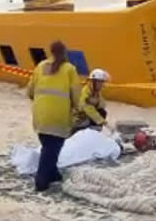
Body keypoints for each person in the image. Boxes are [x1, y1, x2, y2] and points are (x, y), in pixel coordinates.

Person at [27, 41, 81, 192]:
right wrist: (78, 110)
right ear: (65, 52)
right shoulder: (69, 69)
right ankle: (41, 182)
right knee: (51, 149)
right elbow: (77, 95)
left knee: (48, 147)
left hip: (40, 115)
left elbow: (29, 91)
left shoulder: (40, 66)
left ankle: (53, 175)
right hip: (58, 116)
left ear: (50, 51)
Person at [72, 68, 111, 134]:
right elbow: (88, 109)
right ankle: (90, 133)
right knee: (86, 122)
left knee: (102, 112)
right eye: (101, 82)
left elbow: (103, 104)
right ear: (94, 81)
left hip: (84, 116)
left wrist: (96, 103)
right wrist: (102, 122)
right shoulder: (85, 92)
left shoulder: (95, 91)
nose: (102, 85)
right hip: (77, 119)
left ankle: (95, 132)